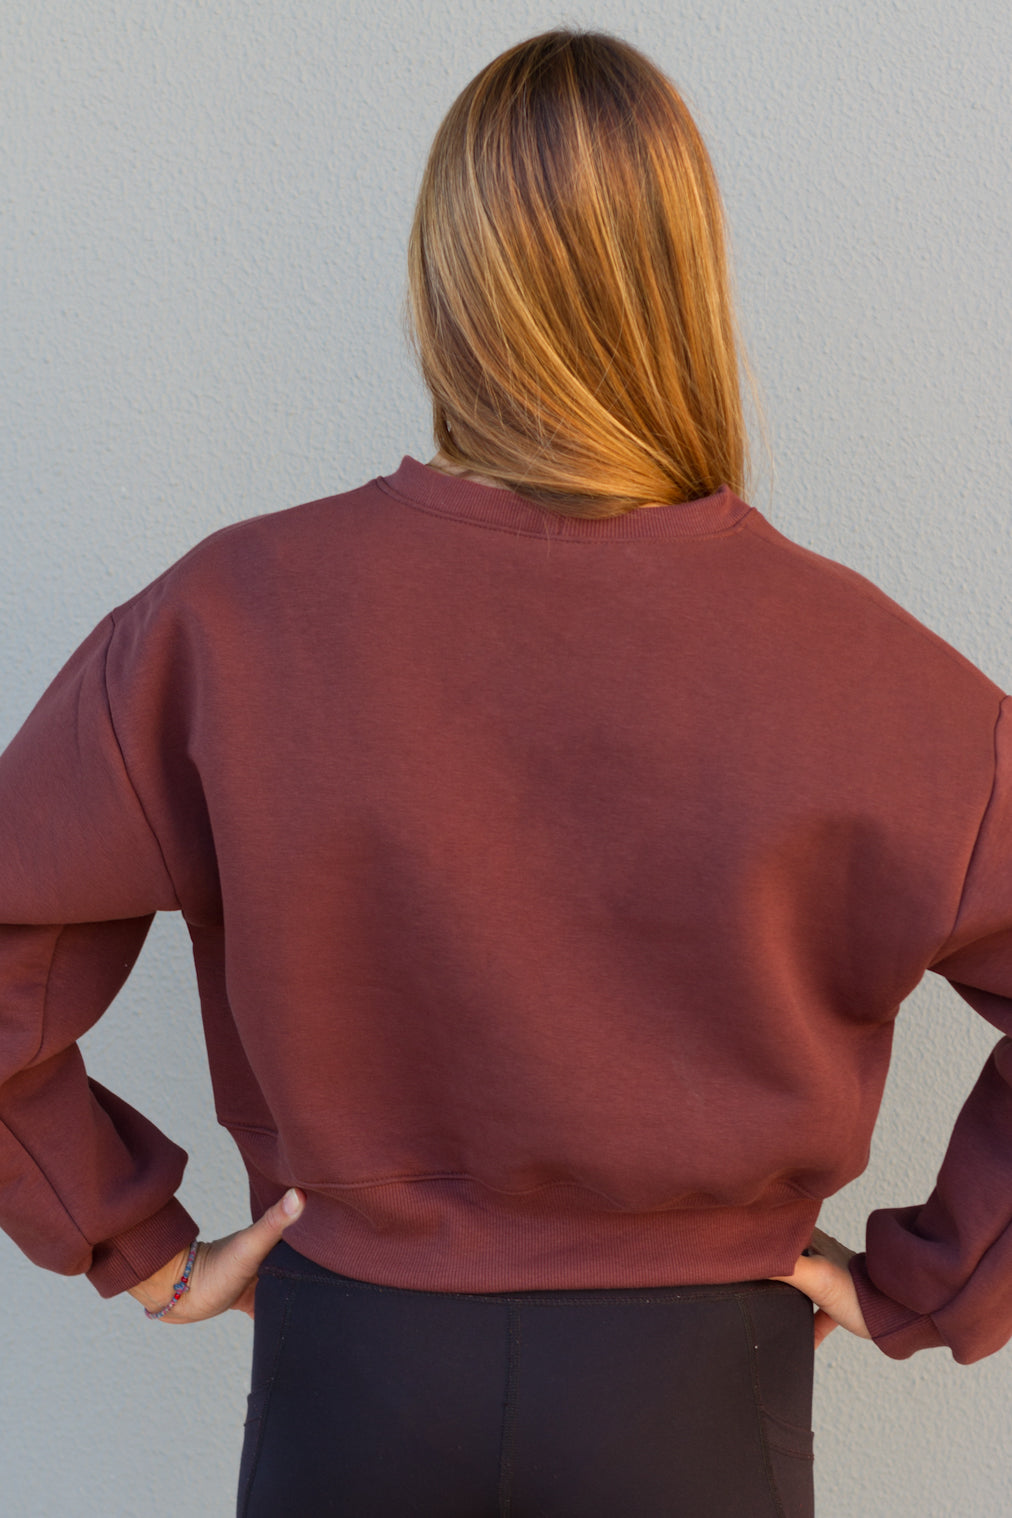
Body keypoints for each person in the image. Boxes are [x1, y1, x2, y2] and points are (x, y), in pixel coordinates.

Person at [1, 26, 1009, 1518]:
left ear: (444, 285)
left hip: (355, 1375)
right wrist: (937, 1280)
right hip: (699, 1401)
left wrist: (129, 1239)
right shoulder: (878, 674)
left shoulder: (230, 619)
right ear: (689, 288)